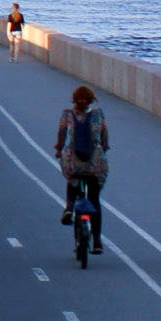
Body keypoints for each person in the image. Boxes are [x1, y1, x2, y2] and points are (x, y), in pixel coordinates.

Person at [54, 83, 109, 224]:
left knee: (72, 179)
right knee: (94, 200)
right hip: (95, 163)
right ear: (91, 100)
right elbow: (104, 137)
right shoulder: (98, 114)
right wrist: (103, 148)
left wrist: (59, 149)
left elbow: (62, 133)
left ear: (74, 99)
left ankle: (69, 209)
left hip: (74, 161)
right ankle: (97, 243)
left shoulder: (67, 114)